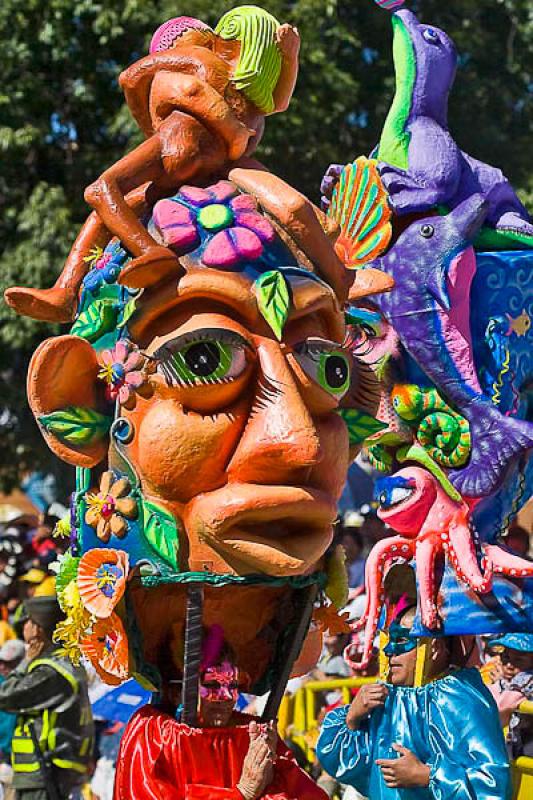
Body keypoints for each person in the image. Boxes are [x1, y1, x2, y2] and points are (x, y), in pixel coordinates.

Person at [316, 606, 512, 799]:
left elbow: (492, 785)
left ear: (433, 647)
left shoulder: (462, 699)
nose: (389, 650)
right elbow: (349, 766)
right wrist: (352, 718)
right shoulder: (389, 695)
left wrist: (427, 776)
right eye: (388, 639)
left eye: (401, 640)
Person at [114, 636, 328, 799]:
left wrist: (271, 779)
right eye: (212, 685)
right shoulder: (155, 734)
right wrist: (242, 792)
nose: (226, 697)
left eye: (232, 686)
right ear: (176, 691)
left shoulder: (250, 733)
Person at [0, 594, 94, 800]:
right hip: (44, 770)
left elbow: (5, 696)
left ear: (38, 629)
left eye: (28, 622)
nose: (24, 627)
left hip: (45, 770)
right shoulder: (61, 663)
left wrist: (25, 662)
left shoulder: (52, 671)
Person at [487, 633, 533, 759]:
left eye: (519, 660)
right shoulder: (509, 679)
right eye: (506, 657)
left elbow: (501, 707)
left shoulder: (526, 678)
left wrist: (500, 683)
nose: (509, 666)